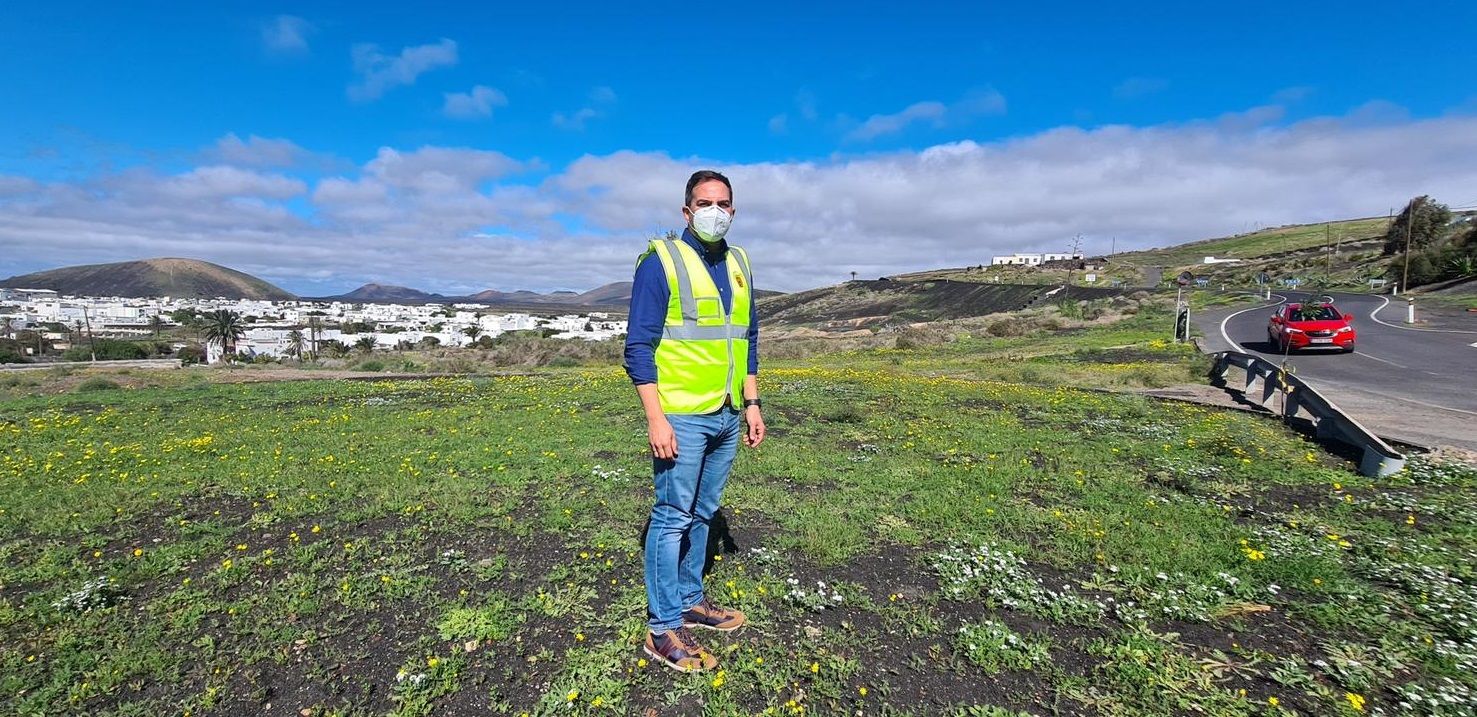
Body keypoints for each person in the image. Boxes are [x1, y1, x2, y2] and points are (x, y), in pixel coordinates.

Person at [624, 169, 766, 673]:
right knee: (672, 517)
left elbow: (746, 340)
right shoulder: (660, 262)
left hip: (728, 413)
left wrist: (751, 403)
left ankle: (689, 599)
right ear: (686, 211)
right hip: (681, 416)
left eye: (723, 204)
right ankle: (662, 628)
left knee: (705, 513)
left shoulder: (740, 263)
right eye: (704, 203)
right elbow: (637, 348)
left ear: (733, 210)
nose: (715, 211)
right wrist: (655, 419)